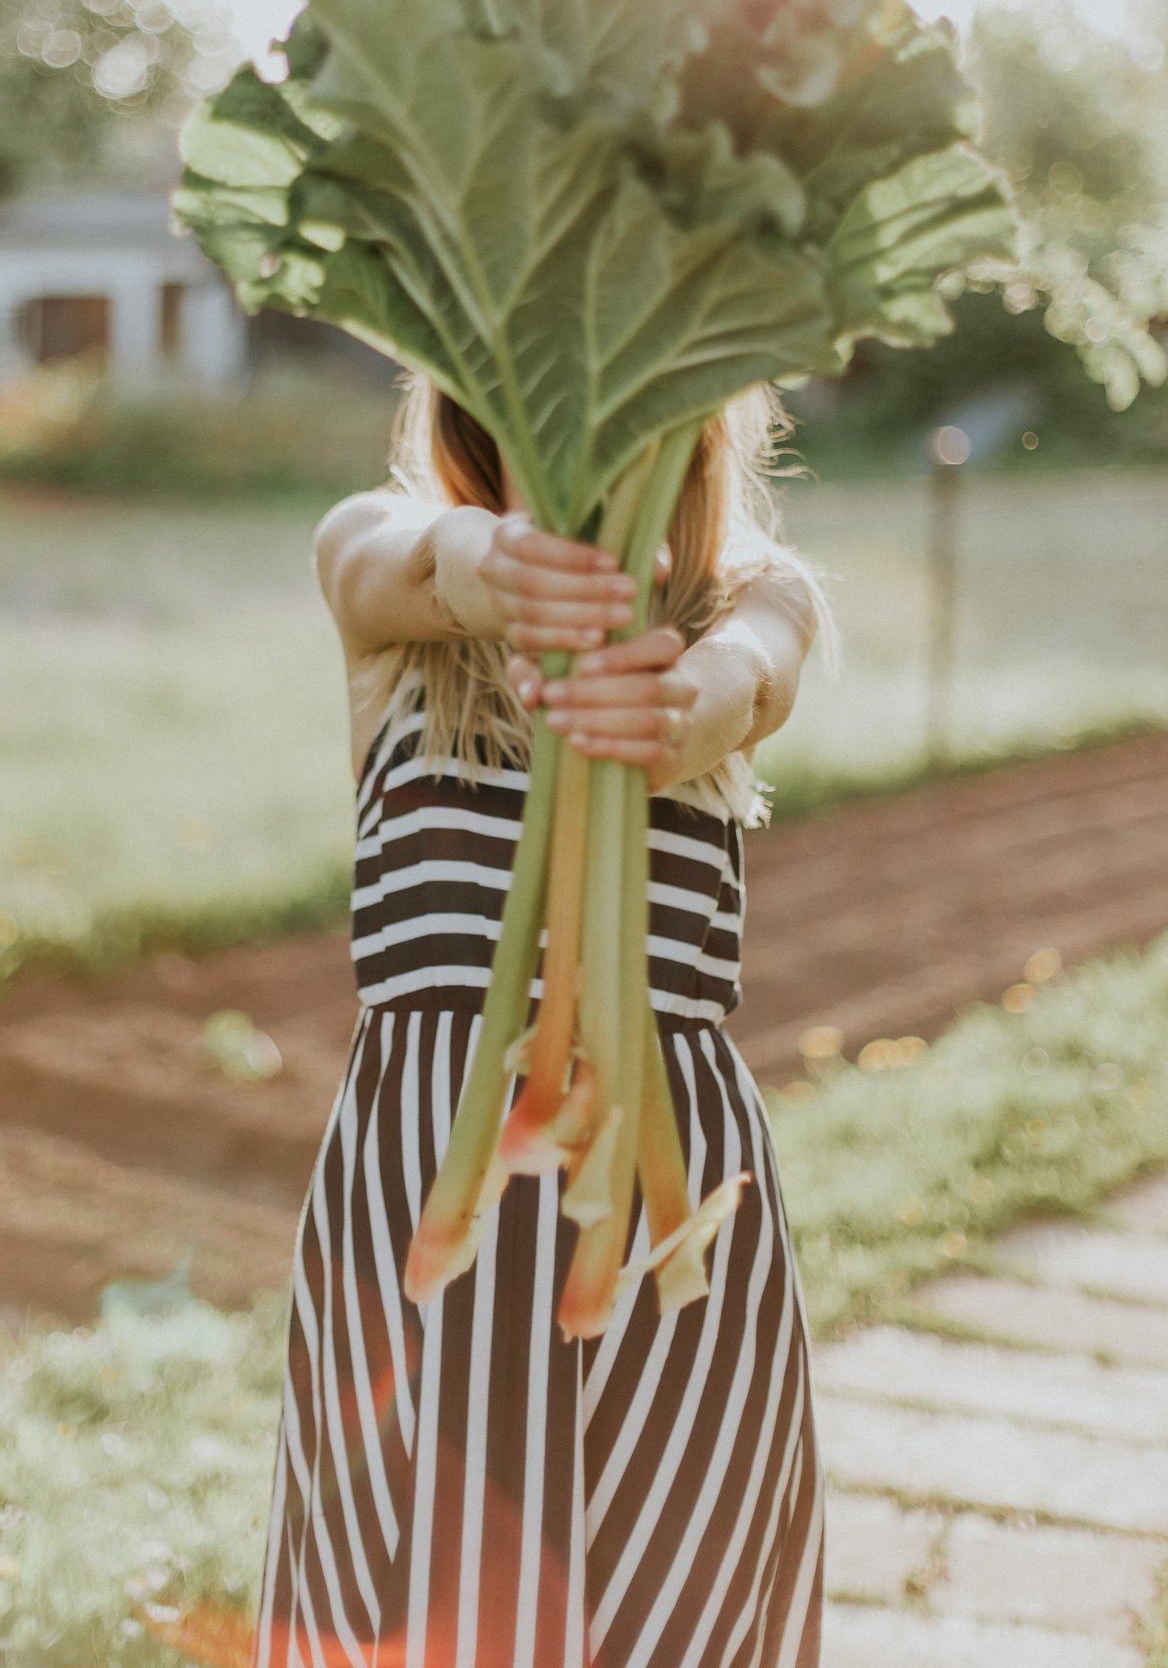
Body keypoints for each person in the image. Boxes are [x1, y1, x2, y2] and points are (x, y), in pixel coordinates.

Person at [254, 375, 826, 1668]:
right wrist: (498, 567)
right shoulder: (392, 589)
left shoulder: (744, 602)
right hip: (426, 1214)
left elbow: (752, 677)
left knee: (670, 1583)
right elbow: (401, 564)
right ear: (469, 401)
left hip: (664, 1212)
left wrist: (679, 707)